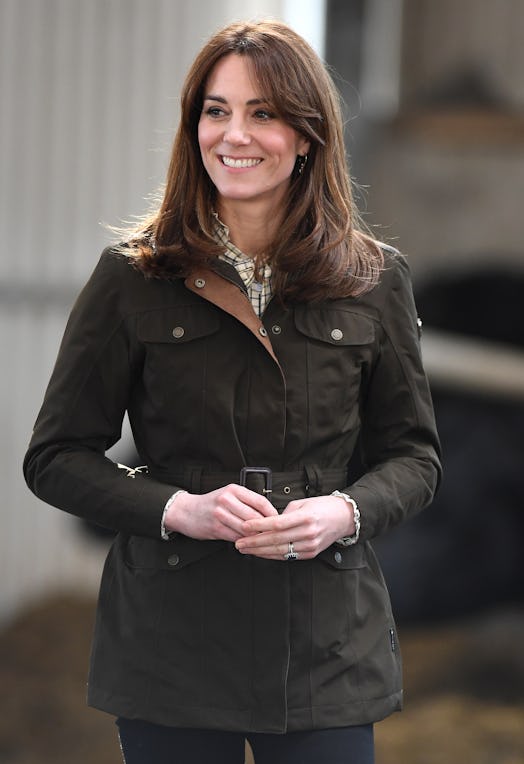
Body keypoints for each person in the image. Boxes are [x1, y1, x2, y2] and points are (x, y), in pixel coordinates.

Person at [23, 19, 441, 764]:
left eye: (264, 112)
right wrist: (179, 508)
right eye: (216, 110)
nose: (234, 134)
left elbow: (414, 457)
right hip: (171, 644)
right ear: (194, 128)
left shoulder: (374, 280)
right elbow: (56, 456)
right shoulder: (132, 278)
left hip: (326, 646)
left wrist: (344, 512)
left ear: (307, 135)